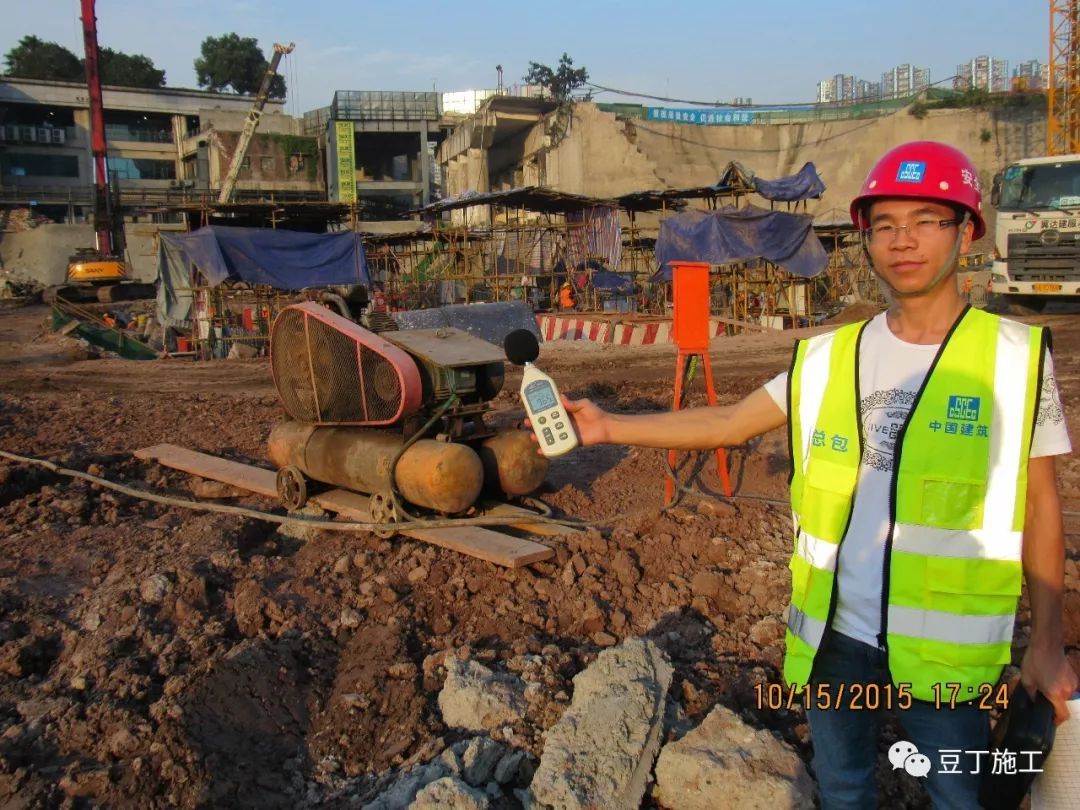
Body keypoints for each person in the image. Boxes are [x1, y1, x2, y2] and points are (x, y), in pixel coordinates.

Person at [543, 141, 1078, 809]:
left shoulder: (1014, 359)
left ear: (967, 231)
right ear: (865, 238)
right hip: (835, 640)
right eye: (884, 224)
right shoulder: (829, 355)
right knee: (844, 790)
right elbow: (729, 423)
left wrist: (1048, 643)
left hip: (950, 660)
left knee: (959, 800)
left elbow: (1041, 504)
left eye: (925, 220)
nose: (902, 240)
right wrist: (609, 426)